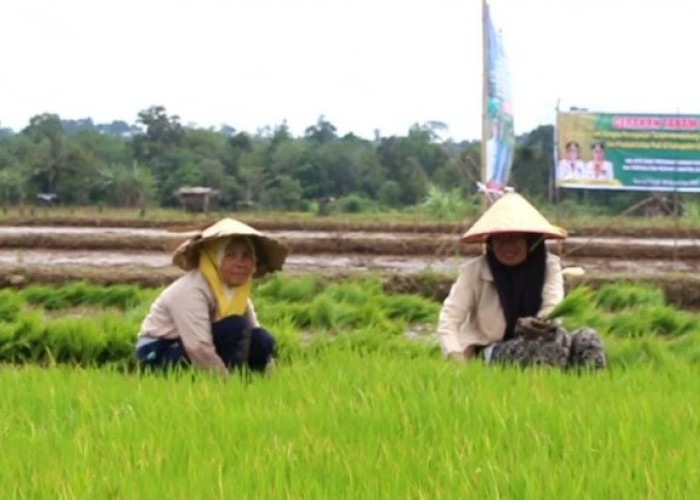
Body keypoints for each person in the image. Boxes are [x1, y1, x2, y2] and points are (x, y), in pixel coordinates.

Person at [437, 192, 606, 369]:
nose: (507, 247)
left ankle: (580, 391)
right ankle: (539, 392)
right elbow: (449, 320)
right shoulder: (474, 271)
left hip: (540, 341)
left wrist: (537, 323)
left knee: (588, 338)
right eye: (500, 240)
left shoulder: (549, 266)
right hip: (492, 349)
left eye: (515, 239)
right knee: (550, 341)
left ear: (531, 241)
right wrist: (455, 357)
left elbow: (552, 305)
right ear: (490, 244)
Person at [134, 218, 288, 376]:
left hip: (191, 348)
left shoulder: (236, 293)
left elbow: (253, 330)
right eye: (230, 255)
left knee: (262, 338)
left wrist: (271, 375)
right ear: (215, 258)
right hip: (159, 352)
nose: (240, 263)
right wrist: (225, 383)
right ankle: (228, 385)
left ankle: (250, 382)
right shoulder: (191, 290)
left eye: (246, 256)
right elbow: (197, 346)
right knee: (234, 327)